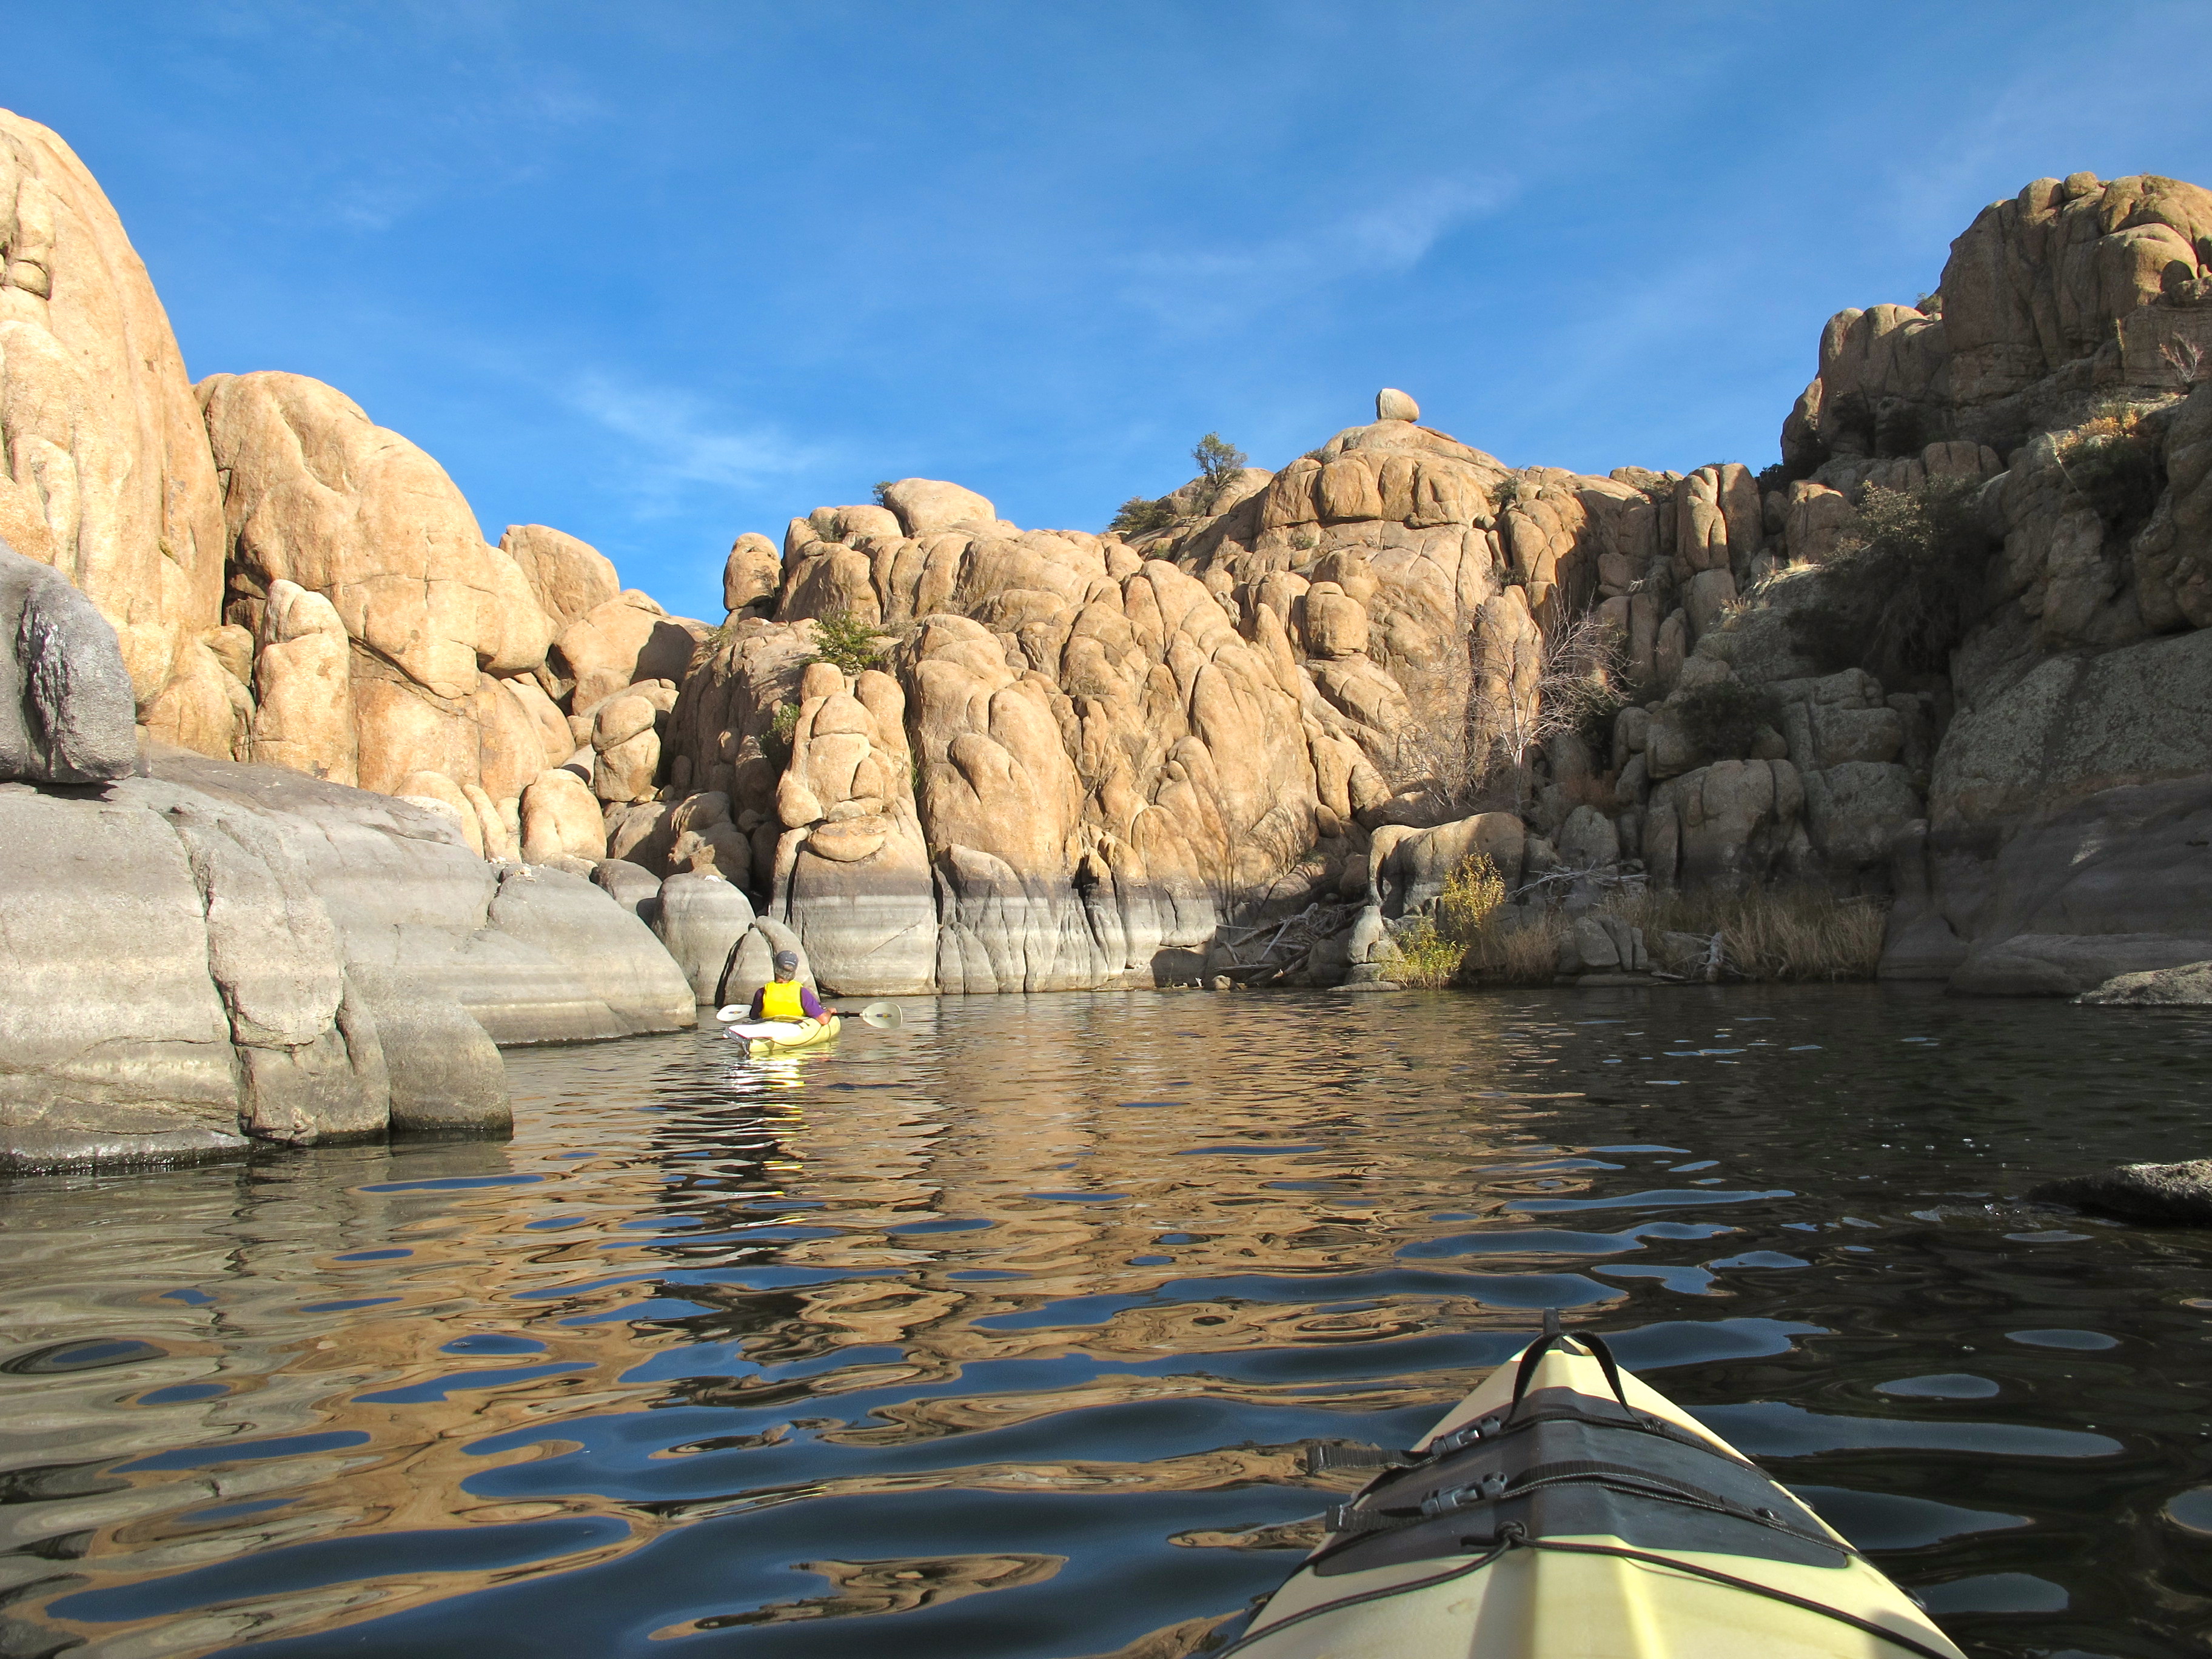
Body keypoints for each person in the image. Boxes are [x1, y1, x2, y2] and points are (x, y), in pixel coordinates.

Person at [746, 951, 830, 1025]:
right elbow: (824, 1020)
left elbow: (754, 1017)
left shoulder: (762, 992)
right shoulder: (802, 992)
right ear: (794, 971)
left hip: (769, 1029)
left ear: (776, 968)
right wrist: (829, 1012)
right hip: (794, 1030)